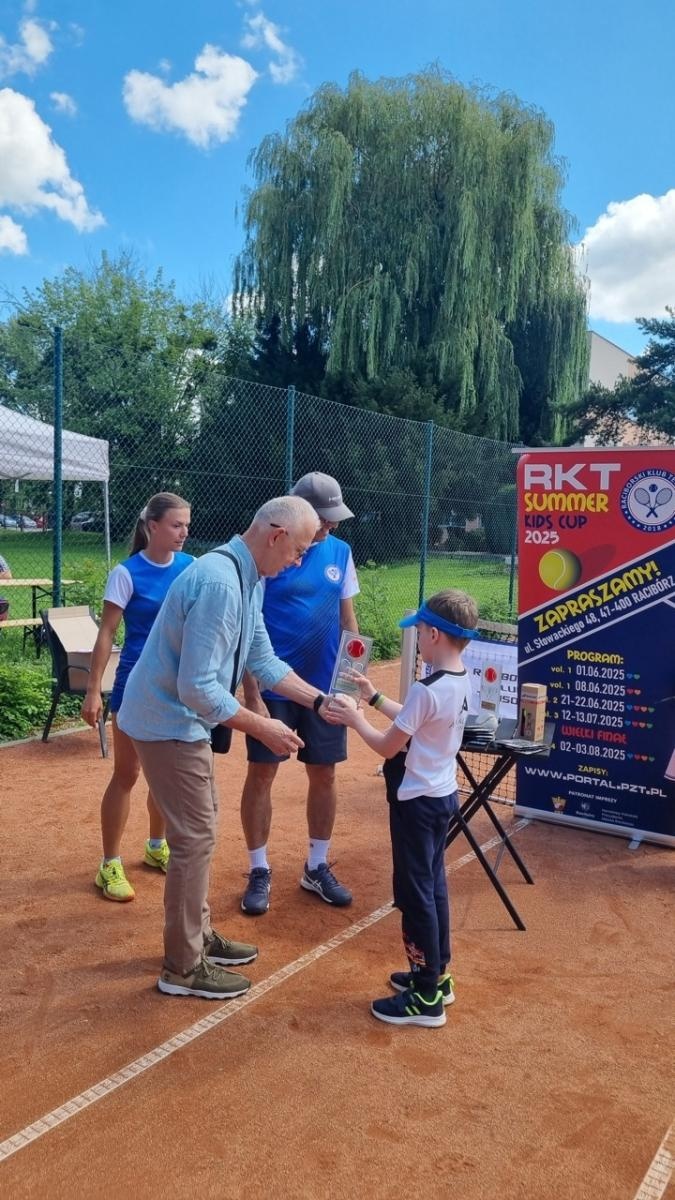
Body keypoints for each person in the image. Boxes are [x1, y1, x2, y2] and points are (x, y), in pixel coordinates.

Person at [117, 495, 336, 1001]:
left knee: (200, 829)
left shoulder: (247, 576)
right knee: (194, 838)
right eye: (299, 550)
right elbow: (197, 687)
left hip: (180, 721)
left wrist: (320, 701)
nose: (299, 561)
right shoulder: (219, 582)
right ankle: (183, 965)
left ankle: (198, 937)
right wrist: (262, 726)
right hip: (169, 721)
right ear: (276, 535)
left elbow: (262, 655)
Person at [328, 589, 478, 1028]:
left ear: (434, 634)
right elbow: (415, 718)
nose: (417, 637)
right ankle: (438, 975)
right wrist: (373, 698)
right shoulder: (456, 680)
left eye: (419, 631)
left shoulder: (427, 689)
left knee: (415, 897)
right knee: (433, 887)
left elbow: (388, 745)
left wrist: (355, 718)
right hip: (441, 797)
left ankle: (426, 996)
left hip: (416, 803)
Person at [239, 472, 359, 916]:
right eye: (324, 518)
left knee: (324, 774)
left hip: (324, 687)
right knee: (263, 774)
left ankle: (316, 865)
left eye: (334, 519)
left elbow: (350, 623)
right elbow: (249, 629)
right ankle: (258, 868)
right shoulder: (270, 552)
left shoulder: (341, 553)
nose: (330, 527)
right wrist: (251, 697)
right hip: (273, 687)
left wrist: (349, 682)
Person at [81, 493, 193, 902]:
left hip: (176, 688)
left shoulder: (190, 567)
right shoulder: (126, 573)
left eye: (186, 524)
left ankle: (155, 847)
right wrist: (94, 691)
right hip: (134, 686)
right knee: (127, 775)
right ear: (152, 526)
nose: (184, 532)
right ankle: (109, 864)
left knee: (165, 778)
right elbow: (106, 634)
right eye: (176, 525)